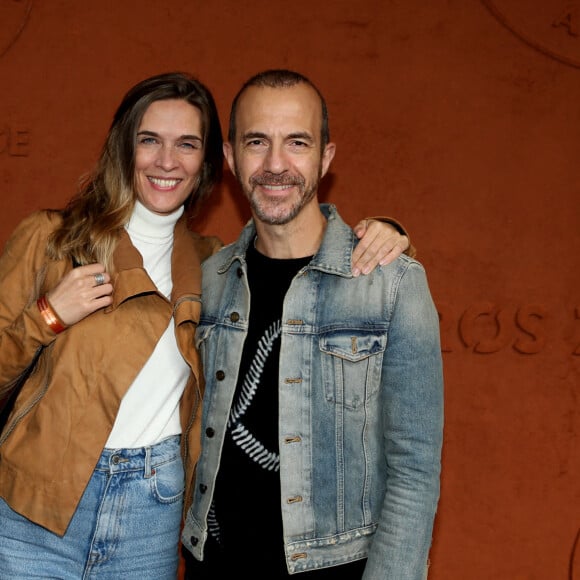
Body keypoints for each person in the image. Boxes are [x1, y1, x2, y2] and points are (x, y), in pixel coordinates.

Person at [0, 72, 409, 579]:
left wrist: (387, 232)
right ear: (123, 148)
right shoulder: (50, 241)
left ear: (209, 163)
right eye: (149, 140)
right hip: (36, 509)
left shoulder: (214, 265)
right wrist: (47, 316)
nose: (166, 161)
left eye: (186, 145)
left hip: (153, 514)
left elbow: (300, 261)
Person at [181, 69, 444, 580]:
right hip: (211, 565)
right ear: (231, 158)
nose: (276, 165)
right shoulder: (207, 280)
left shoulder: (391, 284)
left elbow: (415, 469)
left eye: (296, 142)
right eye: (257, 142)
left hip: (336, 567)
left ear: (325, 157)